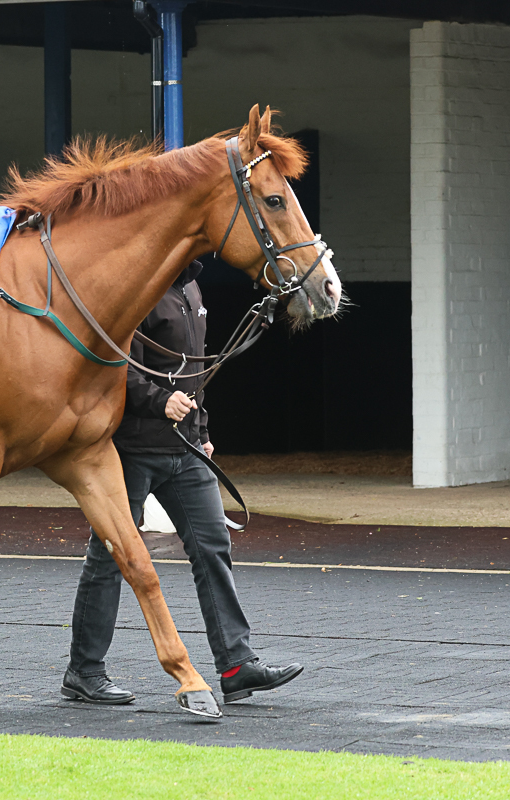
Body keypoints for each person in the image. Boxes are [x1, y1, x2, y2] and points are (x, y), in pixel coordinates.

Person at [61, 260, 302, 706]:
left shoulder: (192, 289)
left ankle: (235, 665)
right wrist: (157, 401)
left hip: (185, 451)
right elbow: (113, 364)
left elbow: (195, 374)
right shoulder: (139, 289)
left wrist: (203, 433)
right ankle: (84, 670)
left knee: (213, 548)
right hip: (131, 451)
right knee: (110, 556)